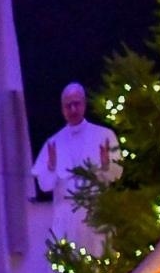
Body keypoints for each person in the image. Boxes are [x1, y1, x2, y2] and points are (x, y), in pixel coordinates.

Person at [30, 82, 122, 256]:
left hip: (97, 214)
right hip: (66, 218)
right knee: (66, 271)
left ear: (84, 104)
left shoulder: (104, 135)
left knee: (101, 266)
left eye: (76, 104)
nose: (73, 109)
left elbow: (116, 175)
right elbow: (45, 186)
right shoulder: (53, 142)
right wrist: (50, 166)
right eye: (68, 105)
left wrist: (105, 164)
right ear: (62, 108)